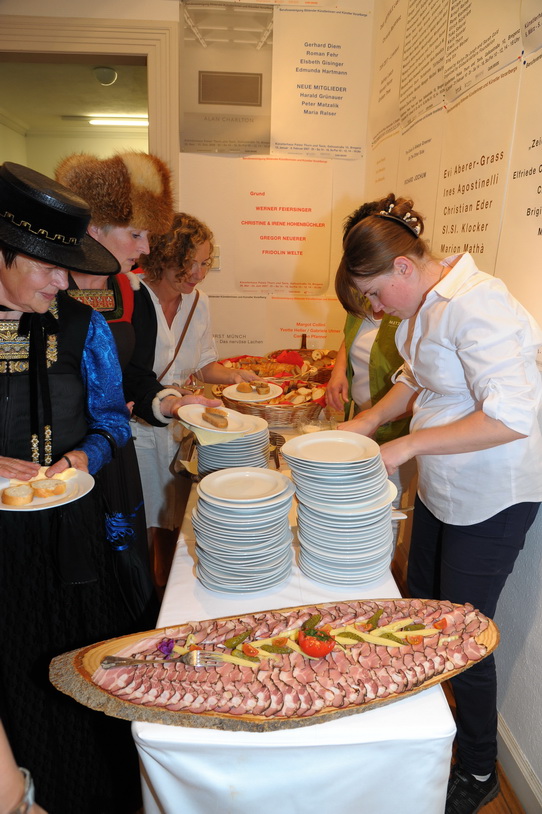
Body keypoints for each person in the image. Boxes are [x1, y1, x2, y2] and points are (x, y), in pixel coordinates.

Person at [334, 193, 542, 814]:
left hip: (493, 494)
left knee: (464, 634)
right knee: (422, 602)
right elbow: (416, 375)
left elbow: (513, 415)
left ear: (402, 266)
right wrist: (370, 420)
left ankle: (478, 769)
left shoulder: (478, 304)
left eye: (375, 294)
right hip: (446, 484)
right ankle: (422, 731)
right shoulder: (425, 302)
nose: (375, 309)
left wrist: (407, 446)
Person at [0, 162, 142, 813]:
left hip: (70, 536)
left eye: (68, 268)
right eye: (47, 267)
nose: (63, 283)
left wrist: (85, 455)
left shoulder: (83, 328)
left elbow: (114, 420)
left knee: (80, 669)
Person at [55, 153, 219, 602]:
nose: (146, 248)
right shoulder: (44, 287)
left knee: (121, 572)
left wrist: (169, 402)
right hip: (59, 460)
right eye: (136, 234)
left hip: (111, 453)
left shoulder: (124, 292)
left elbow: (132, 374)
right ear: (94, 228)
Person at [132, 212, 257, 582]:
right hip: (137, 430)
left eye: (205, 263)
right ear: (162, 256)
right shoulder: (131, 297)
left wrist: (235, 376)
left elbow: (203, 365)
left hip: (182, 429)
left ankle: (169, 587)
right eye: (189, 263)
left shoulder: (198, 302)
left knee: (178, 518)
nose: (198, 274)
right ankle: (146, 596)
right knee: (142, 522)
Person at [326, 199, 417, 540]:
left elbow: (418, 378)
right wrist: (338, 371)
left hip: (396, 429)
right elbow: (350, 338)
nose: (375, 306)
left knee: (381, 512)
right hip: (367, 417)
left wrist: (378, 420)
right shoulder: (367, 293)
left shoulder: (407, 303)